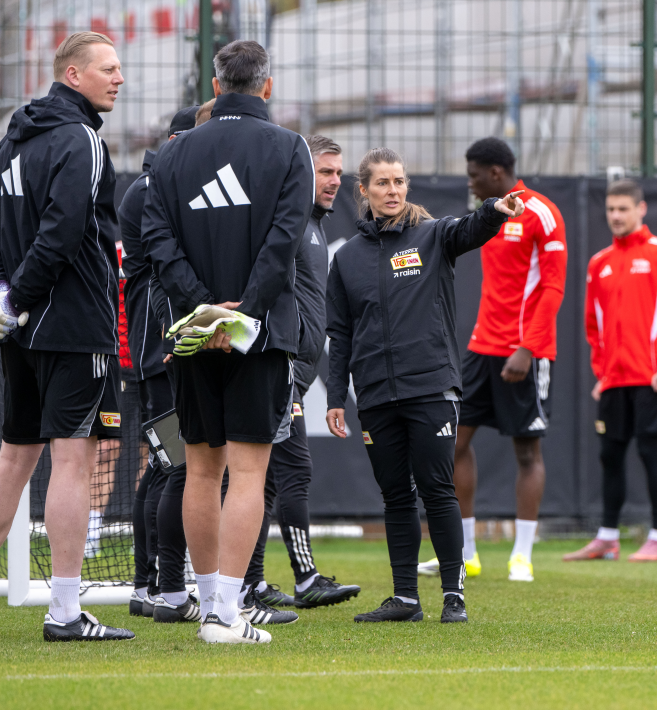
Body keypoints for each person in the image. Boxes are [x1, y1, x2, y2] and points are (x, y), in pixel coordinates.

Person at [0, 31, 135, 641]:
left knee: (14, 455)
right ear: (72, 75)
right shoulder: (80, 138)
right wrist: (16, 300)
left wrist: (3, 301)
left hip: (21, 332)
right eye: (108, 69)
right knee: (72, 463)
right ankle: (63, 611)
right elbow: (61, 233)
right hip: (74, 326)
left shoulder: (11, 142)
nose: (120, 78)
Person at [143, 39, 313, 644]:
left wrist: (202, 310)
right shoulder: (291, 147)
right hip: (259, 336)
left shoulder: (170, 155)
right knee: (246, 474)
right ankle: (223, 614)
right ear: (267, 86)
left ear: (216, 87)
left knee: (198, 469)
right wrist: (243, 314)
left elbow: (156, 241)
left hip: (192, 333)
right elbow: (284, 240)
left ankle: (210, 601)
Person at [326, 147, 524, 624]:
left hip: (432, 388)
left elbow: (469, 229)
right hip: (374, 395)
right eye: (382, 184)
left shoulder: (433, 235)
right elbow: (341, 335)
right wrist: (336, 398)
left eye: (399, 182)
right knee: (396, 495)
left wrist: (494, 211)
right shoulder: (347, 259)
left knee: (438, 489)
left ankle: (453, 596)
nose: (392, 191)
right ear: (364, 191)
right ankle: (405, 599)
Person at [418, 137, 566, 584]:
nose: (470, 182)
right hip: (482, 349)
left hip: (524, 351)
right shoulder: (488, 215)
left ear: (496, 174)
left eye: (474, 174)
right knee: (455, 444)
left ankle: (522, 556)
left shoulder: (541, 212)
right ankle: (466, 553)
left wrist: (528, 347)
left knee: (526, 451)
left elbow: (553, 288)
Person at [243, 135, 362, 612]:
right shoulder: (289, 222)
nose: (335, 181)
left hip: (297, 372)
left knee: (267, 479)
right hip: (280, 369)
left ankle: (250, 582)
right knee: (290, 470)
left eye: (339, 172)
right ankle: (300, 576)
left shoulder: (313, 226)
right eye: (325, 171)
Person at [565, 179, 657, 563]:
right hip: (614, 380)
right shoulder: (598, 262)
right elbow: (593, 323)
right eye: (611, 209)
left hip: (652, 378)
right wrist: (602, 373)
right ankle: (607, 538)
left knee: (652, 454)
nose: (616, 216)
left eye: (623, 209)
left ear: (641, 209)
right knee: (610, 456)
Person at [118, 105, 198, 619]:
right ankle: (168, 589)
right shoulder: (155, 190)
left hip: (155, 348)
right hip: (161, 349)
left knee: (165, 467)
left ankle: (149, 585)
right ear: (177, 140)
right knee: (179, 467)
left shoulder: (150, 186)